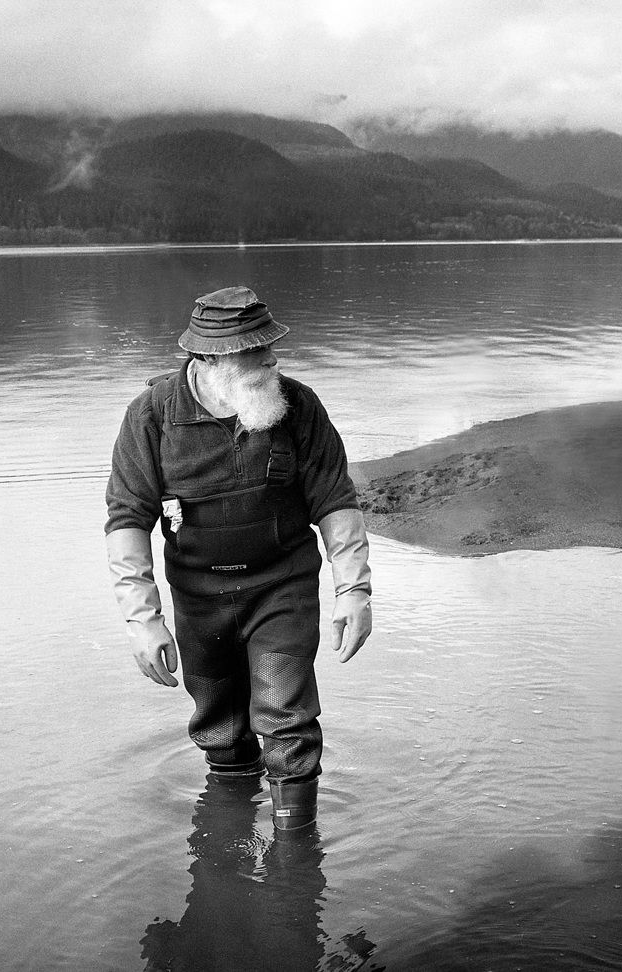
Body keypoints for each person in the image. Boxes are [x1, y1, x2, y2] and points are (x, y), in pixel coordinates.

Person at [105, 286, 372, 836]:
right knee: (219, 728)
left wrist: (354, 591)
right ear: (209, 360)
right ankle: (229, 841)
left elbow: (335, 501)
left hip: (283, 586)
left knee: (287, 720)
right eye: (255, 352)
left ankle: (295, 862)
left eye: (269, 347)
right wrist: (143, 619)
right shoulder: (151, 417)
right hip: (199, 600)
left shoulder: (297, 406)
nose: (272, 359)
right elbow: (127, 517)